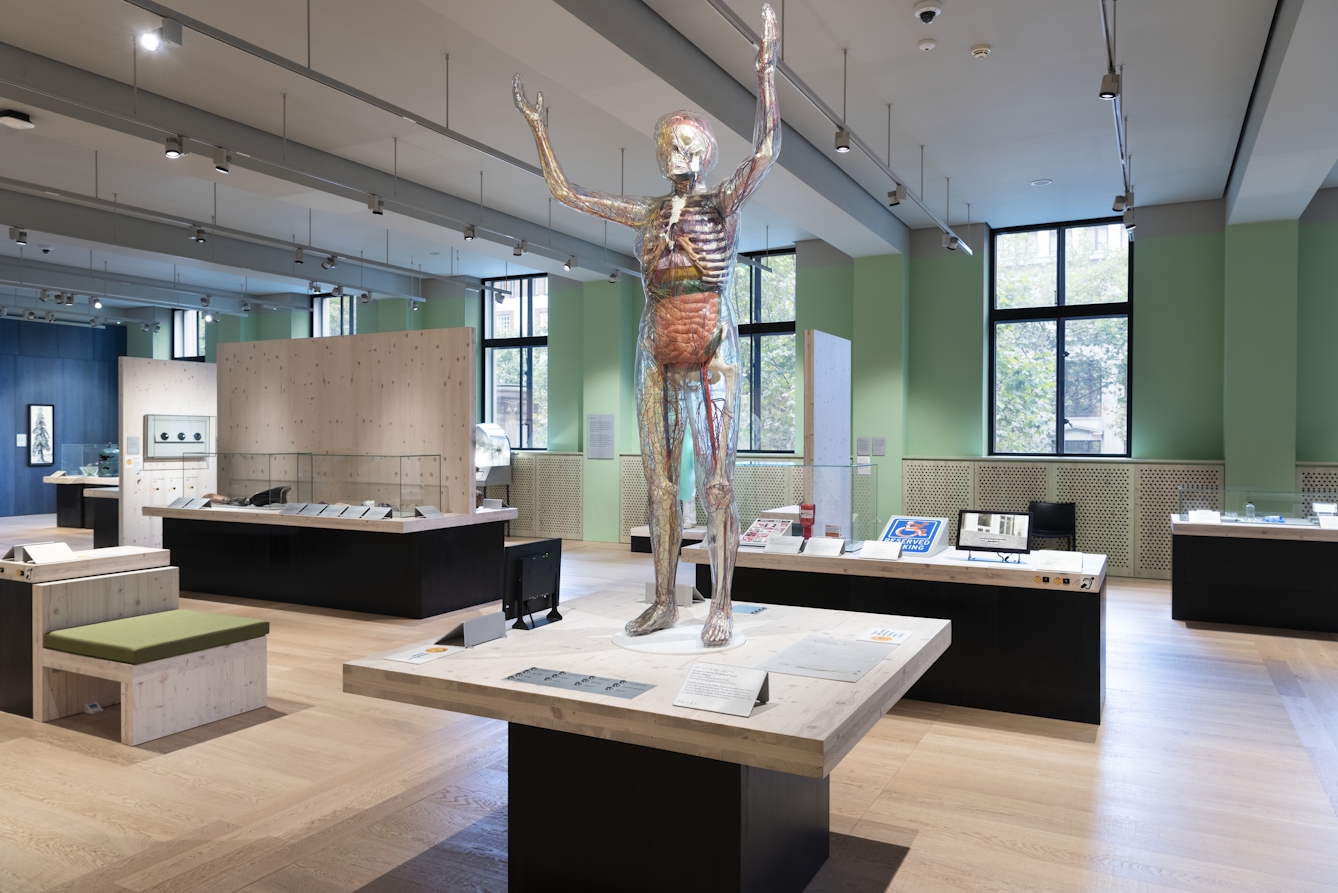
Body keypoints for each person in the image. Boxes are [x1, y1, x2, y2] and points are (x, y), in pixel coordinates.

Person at [513, 4, 780, 646]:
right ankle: (663, 599)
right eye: (670, 145)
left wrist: (768, 68)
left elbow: (767, 147)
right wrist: (539, 132)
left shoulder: (722, 202)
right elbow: (568, 195)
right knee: (659, 484)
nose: (678, 153)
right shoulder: (648, 211)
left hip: (710, 339)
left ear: (705, 152)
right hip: (655, 343)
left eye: (688, 144)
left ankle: (720, 605)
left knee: (717, 484)